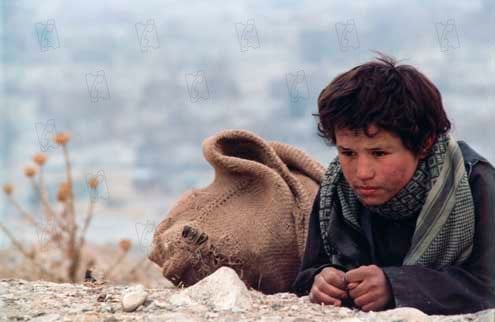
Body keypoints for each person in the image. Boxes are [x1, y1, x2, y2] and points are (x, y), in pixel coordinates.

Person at [289, 52, 495, 315]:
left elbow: (487, 283)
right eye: (348, 153)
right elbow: (308, 272)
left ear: (424, 145)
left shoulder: (475, 184)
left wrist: (395, 286)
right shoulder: (336, 190)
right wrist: (322, 280)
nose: (361, 172)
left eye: (379, 154)